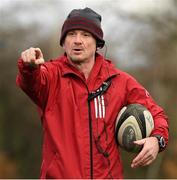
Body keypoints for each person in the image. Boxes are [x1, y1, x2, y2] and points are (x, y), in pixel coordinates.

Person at [16, 7, 169, 179]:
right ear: (63, 41)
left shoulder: (120, 81)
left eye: (85, 35)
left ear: (98, 42)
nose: (77, 40)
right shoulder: (50, 76)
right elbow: (31, 82)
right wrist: (28, 67)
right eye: (71, 34)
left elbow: (157, 114)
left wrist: (157, 140)